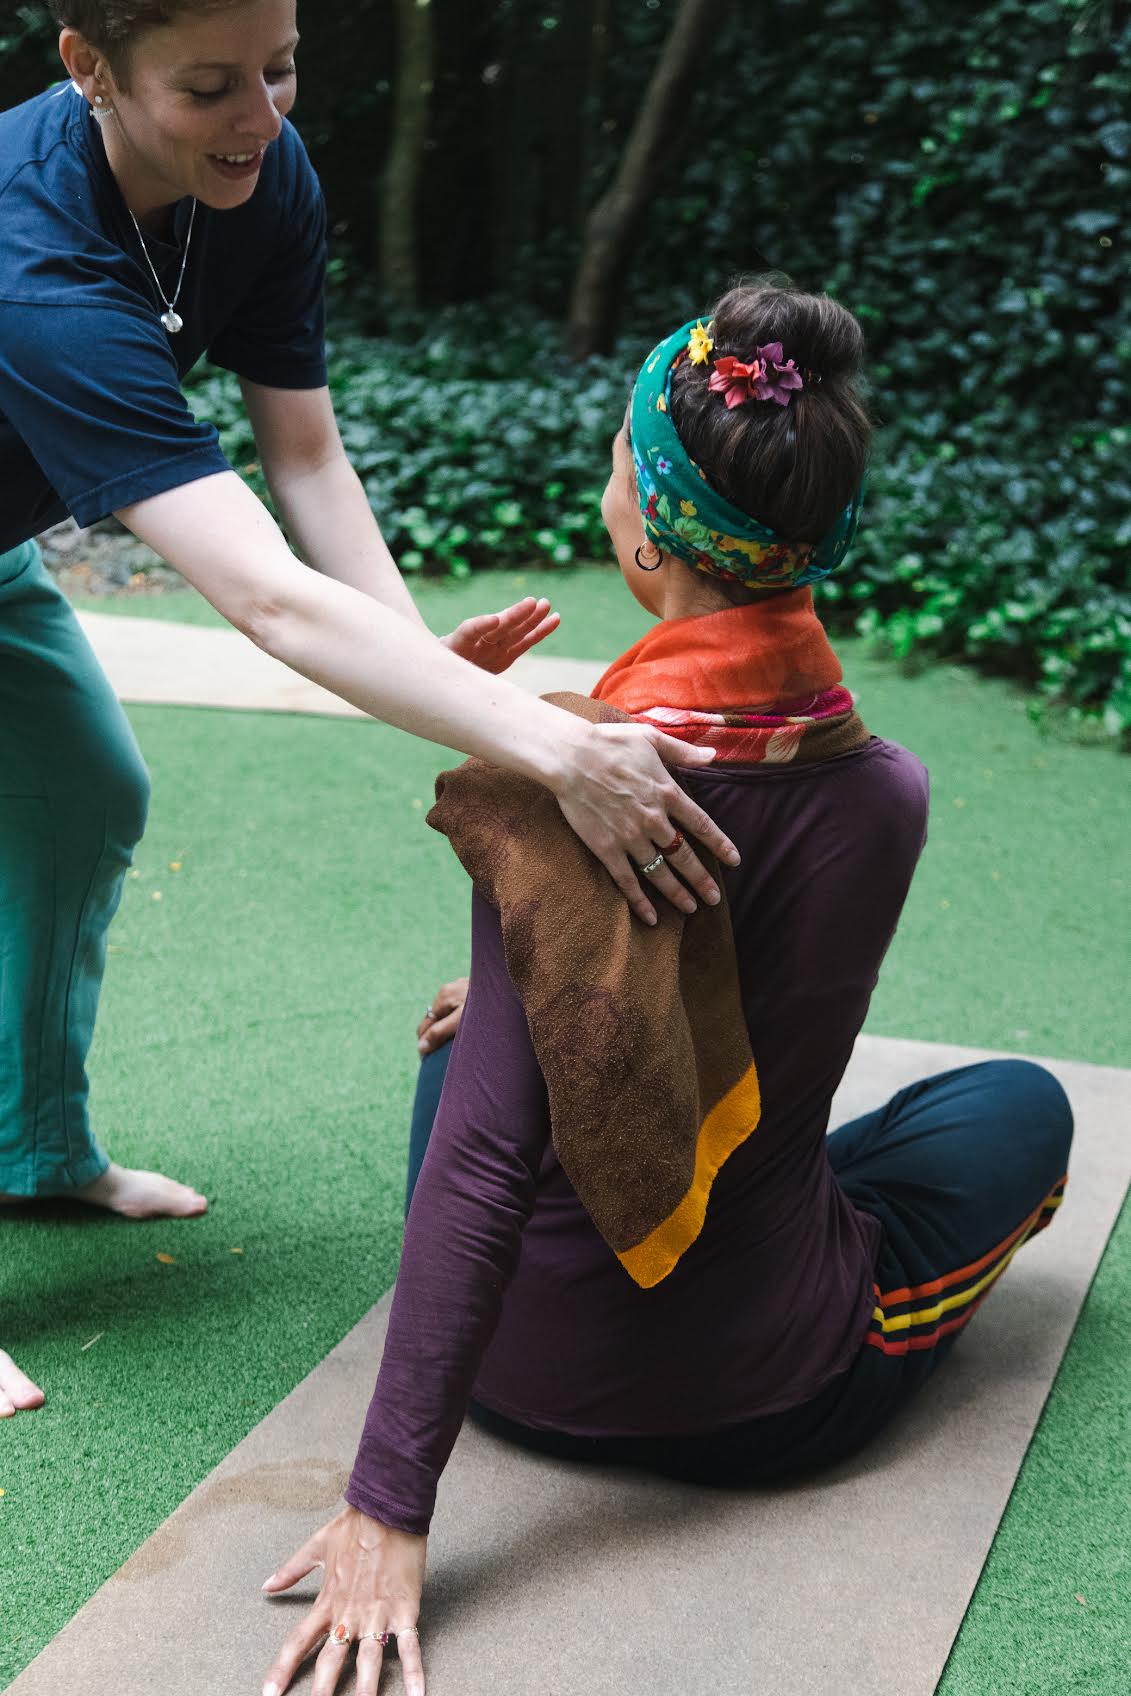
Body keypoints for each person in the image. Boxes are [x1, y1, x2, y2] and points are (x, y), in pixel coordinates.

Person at [258, 284, 1073, 1696]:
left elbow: (484, 1160)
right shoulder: (883, 795)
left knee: (474, 1066)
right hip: (758, 1403)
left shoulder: (553, 776)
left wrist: (394, 1499)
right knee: (1019, 1108)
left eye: (618, 462)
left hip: (515, 1363)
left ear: (645, 531)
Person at [0, 0, 741, 1421]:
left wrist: (438, 678)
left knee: (86, 796)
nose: (260, 117)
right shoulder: (35, 263)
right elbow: (264, 600)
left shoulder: (261, 177)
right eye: (211, 87)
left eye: (278, 70)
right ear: (88, 69)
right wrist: (542, 741)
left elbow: (310, 459)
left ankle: (32, 1150)